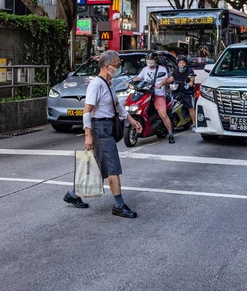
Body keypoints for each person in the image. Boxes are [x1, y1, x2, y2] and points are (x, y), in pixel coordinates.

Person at [64, 50, 143, 218]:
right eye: (117, 65)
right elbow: (86, 111)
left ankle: (73, 194)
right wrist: (88, 135)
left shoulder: (110, 83)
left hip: (108, 126)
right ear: (107, 67)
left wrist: (131, 120)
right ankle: (119, 205)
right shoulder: (96, 84)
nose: (119, 68)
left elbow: (117, 105)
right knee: (113, 166)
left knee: (100, 166)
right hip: (99, 128)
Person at [132, 51, 175, 143]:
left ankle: (170, 134)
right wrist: (132, 81)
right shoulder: (144, 69)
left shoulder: (162, 69)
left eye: (151, 59)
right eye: (148, 59)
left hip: (158, 95)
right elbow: (139, 78)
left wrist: (160, 84)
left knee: (163, 115)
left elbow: (164, 79)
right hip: (146, 94)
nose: (149, 61)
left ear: (156, 60)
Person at [167, 55, 197, 131]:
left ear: (186, 63)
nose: (181, 64)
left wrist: (189, 83)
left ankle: (194, 125)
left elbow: (192, 79)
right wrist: (167, 81)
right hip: (177, 91)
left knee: (190, 108)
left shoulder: (190, 70)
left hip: (187, 92)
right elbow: (171, 78)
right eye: (180, 63)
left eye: (183, 63)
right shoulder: (176, 70)